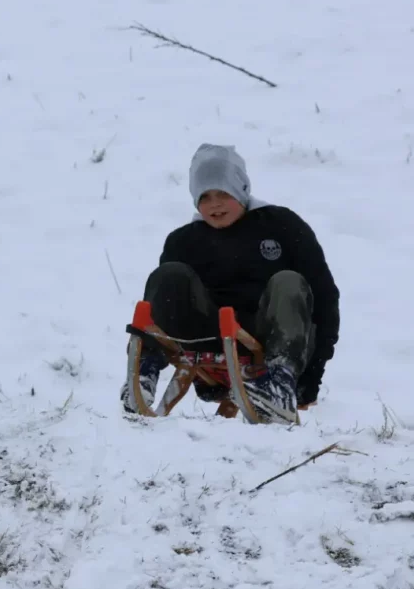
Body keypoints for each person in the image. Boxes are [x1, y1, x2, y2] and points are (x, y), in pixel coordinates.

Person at [122, 144, 339, 423]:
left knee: (289, 282)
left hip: (268, 340)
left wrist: (311, 377)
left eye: (223, 193)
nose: (215, 204)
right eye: (205, 196)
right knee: (168, 275)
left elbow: (324, 298)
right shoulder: (183, 241)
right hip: (206, 338)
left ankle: (279, 385)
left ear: (241, 189)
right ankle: (143, 372)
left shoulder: (282, 225)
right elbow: (164, 304)